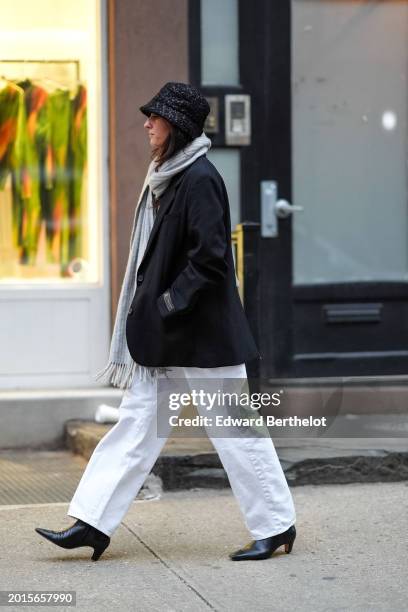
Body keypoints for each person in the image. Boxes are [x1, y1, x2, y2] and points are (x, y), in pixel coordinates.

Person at [35, 82, 296, 562]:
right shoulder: (168, 176)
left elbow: (211, 258)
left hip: (202, 335)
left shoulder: (200, 179)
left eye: (153, 117)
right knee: (136, 424)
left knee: (232, 429)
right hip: (169, 338)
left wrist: (167, 304)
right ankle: (92, 521)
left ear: (174, 125)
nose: (146, 124)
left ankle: (277, 525)